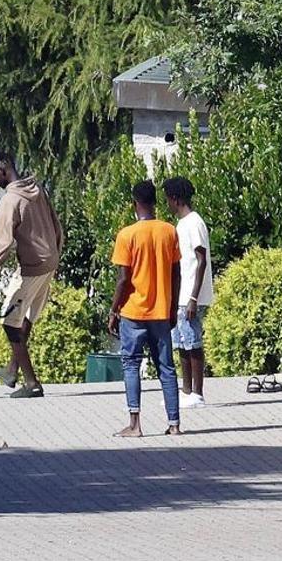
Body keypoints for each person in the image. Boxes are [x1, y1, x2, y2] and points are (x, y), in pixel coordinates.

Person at [0, 151, 63, 399]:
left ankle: (32, 383)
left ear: (2, 169)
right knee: (25, 317)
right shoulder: (38, 189)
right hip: (49, 263)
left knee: (9, 323)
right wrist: (55, 255)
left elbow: (3, 244)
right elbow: (57, 226)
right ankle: (12, 371)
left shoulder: (10, 201)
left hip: (31, 268)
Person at [108, 181, 183, 437]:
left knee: (131, 364)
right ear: (155, 203)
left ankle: (135, 424)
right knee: (167, 367)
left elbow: (123, 278)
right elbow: (176, 272)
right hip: (161, 310)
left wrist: (113, 309)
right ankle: (174, 424)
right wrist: (172, 306)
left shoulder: (126, 235)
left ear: (134, 203)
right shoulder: (169, 231)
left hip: (133, 312)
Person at [163, 177, 214, 408]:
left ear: (176, 199)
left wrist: (194, 297)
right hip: (181, 295)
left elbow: (201, 260)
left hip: (191, 295)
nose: (167, 205)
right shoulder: (181, 224)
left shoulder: (194, 223)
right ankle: (186, 390)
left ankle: (198, 393)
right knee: (181, 342)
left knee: (193, 343)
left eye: (168, 200)